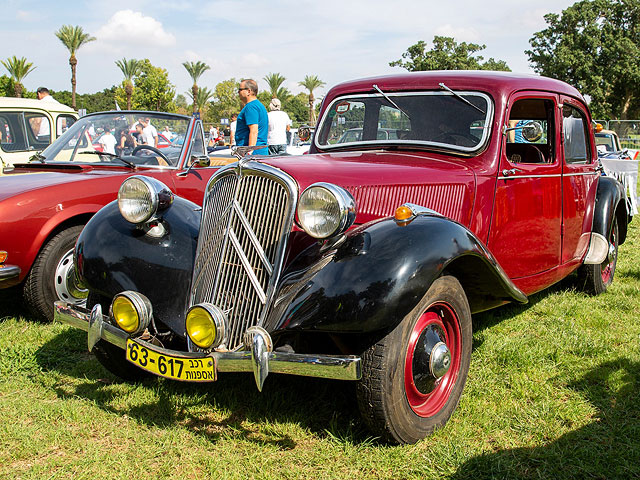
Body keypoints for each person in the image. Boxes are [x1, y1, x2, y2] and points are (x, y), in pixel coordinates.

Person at [235, 79, 268, 155]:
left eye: (240, 89)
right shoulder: (258, 105)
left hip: (253, 154)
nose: (238, 92)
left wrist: (250, 151)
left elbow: (254, 130)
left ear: (249, 91)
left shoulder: (251, 107)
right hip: (259, 151)